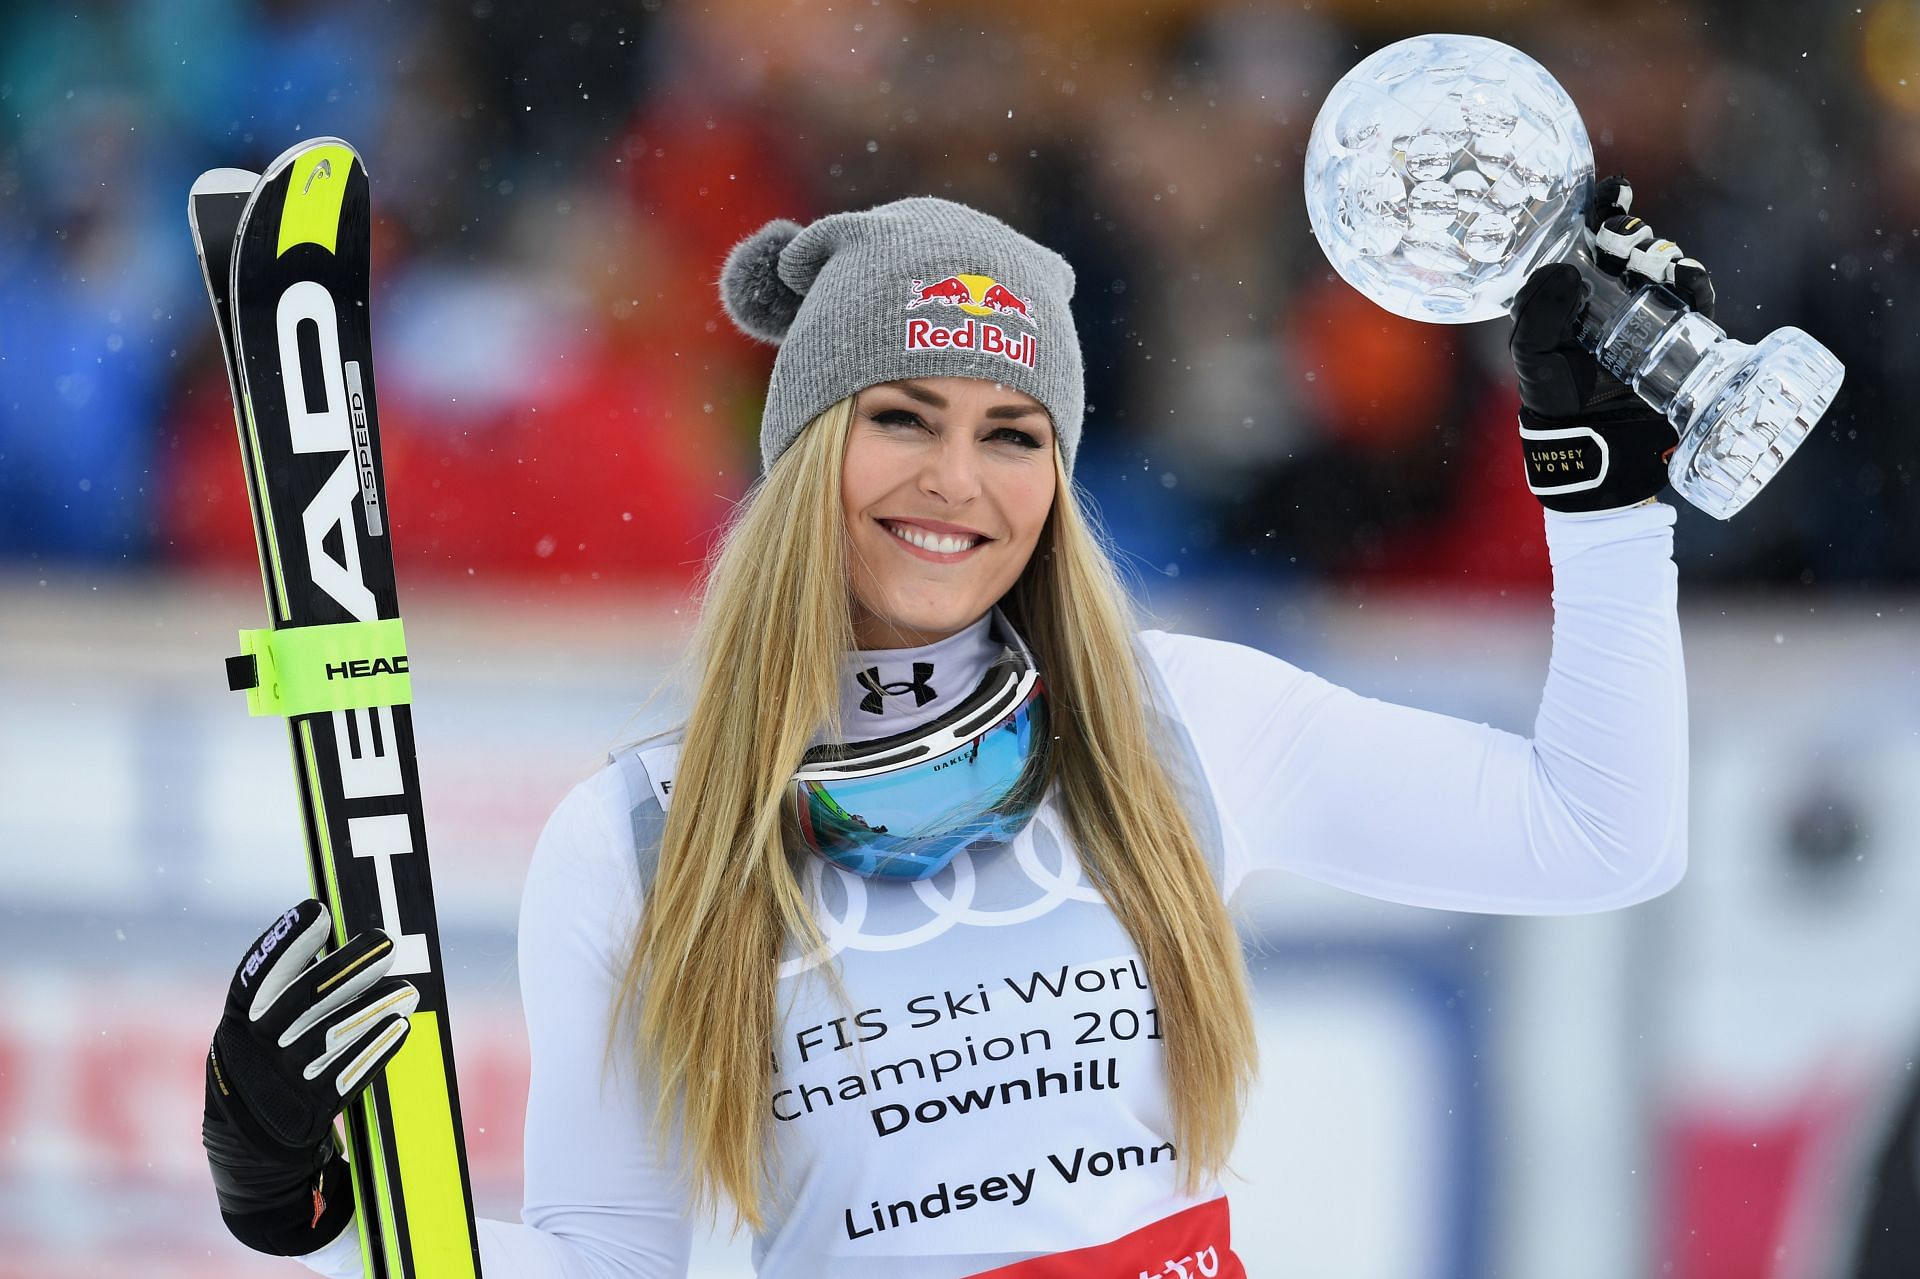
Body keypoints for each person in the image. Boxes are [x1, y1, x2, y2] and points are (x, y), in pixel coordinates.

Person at [201, 183, 1706, 1276]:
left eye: (1013, 435)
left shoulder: (1173, 719)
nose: (959, 484)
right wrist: (316, 1209)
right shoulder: (638, 835)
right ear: (803, 453)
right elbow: (609, 1261)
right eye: (902, 415)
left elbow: (1600, 838)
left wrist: (1610, 505)